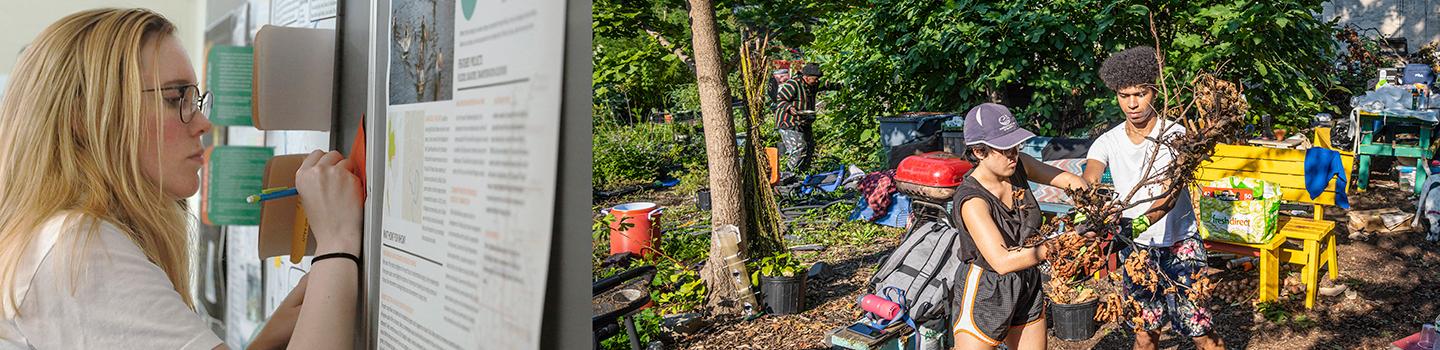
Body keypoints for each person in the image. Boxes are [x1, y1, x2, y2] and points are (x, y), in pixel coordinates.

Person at [0, 8, 362, 349]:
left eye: (195, 99)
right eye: (176, 99)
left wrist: (265, 341)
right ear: (86, 117)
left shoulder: (53, 239)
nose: (203, 123)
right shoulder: (78, 250)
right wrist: (337, 242)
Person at [1082, 46, 1224, 350]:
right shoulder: (1107, 141)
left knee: (1202, 334)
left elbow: (1169, 196)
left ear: (1154, 93)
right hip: (1138, 252)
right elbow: (1090, 177)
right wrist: (1088, 208)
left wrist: (1136, 223)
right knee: (1145, 334)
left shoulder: (1177, 136)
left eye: (1139, 94)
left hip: (1180, 245)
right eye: (1124, 95)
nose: (1132, 103)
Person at [949, 103, 1089, 350]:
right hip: (987, 288)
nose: (1013, 153)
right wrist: (1062, 243)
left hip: (1026, 280)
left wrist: (1090, 204)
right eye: (1004, 149)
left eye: (1015, 145)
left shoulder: (1020, 166)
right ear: (979, 152)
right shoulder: (973, 201)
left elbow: (1071, 181)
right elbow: (1002, 261)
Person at [772, 63, 835, 179]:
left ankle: (801, 176)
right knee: (798, 149)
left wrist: (844, 85)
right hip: (789, 122)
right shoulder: (793, 84)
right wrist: (790, 108)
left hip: (804, 121)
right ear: (806, 77)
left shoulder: (813, 84)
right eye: (815, 79)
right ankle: (788, 177)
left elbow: (826, 85)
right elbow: (780, 99)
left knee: (809, 148)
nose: (817, 82)